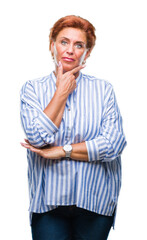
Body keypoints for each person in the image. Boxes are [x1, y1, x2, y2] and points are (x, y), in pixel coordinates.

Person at [20, 15, 127, 240]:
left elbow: (113, 144)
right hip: (48, 204)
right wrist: (61, 93)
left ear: (87, 53)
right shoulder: (32, 89)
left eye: (79, 45)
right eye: (64, 42)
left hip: (95, 201)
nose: (70, 50)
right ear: (52, 46)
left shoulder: (103, 90)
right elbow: (37, 138)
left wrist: (61, 150)